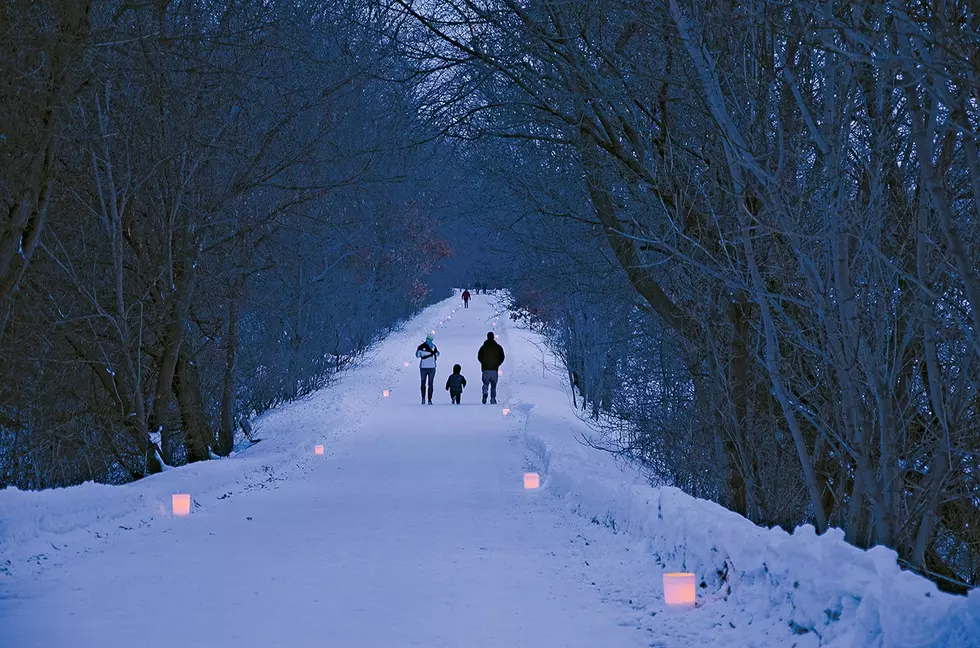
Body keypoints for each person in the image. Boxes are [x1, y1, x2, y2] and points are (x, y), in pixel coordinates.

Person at [477, 331, 505, 404]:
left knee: (485, 383)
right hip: (494, 369)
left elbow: (479, 357)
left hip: (485, 369)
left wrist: (483, 363)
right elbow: (502, 357)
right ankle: (492, 399)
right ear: (493, 337)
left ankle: (485, 391)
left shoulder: (483, 347)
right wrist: (498, 364)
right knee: (493, 385)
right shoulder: (498, 347)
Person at [416, 334, 439, 404]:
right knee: (430, 384)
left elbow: (417, 355)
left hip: (423, 367)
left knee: (423, 383)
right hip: (432, 367)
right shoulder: (434, 346)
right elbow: (437, 354)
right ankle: (430, 399)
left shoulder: (421, 346)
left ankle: (423, 398)